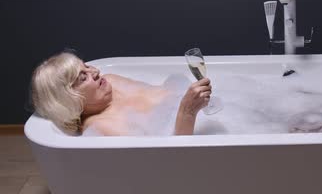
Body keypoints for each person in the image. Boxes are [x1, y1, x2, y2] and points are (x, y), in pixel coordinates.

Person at [30, 52, 212, 136]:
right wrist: (187, 112)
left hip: (206, 115)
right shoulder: (101, 126)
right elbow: (170, 160)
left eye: (86, 65)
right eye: (82, 77)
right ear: (69, 99)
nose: (95, 71)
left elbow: (162, 92)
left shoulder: (111, 81)